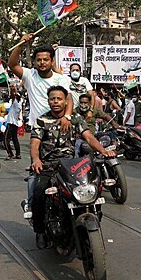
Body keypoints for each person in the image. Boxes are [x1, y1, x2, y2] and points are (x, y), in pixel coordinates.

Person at [30, 86, 114, 248]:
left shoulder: (74, 119)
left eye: (59, 99)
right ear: (48, 101)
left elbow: (89, 137)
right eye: (52, 99)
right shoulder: (41, 120)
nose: (55, 102)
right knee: (39, 192)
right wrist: (36, 159)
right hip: (47, 167)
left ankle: (90, 219)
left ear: (65, 101)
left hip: (70, 167)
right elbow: (35, 144)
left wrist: (104, 151)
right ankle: (40, 230)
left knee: (93, 189)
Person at [8, 34, 73, 129]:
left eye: (46, 59)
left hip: (58, 125)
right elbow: (12, 64)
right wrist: (20, 45)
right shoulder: (29, 75)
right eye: (39, 60)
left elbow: (69, 99)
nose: (42, 62)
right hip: (37, 128)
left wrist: (67, 117)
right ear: (34, 62)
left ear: (52, 61)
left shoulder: (62, 79)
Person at [4, 87, 23, 160]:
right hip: (15, 124)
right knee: (15, 139)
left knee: (5, 139)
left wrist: (12, 90)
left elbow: (13, 96)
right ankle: (18, 154)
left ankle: (10, 154)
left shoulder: (16, 103)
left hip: (11, 123)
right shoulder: (20, 103)